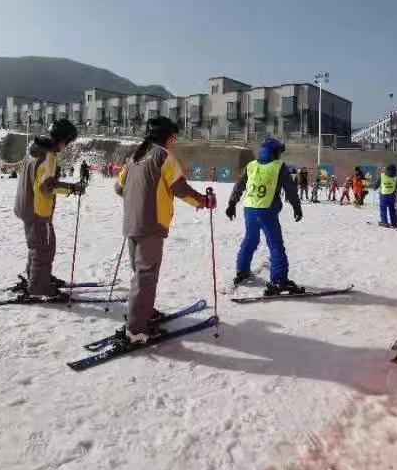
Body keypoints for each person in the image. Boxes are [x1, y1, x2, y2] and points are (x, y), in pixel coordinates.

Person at [114, 117, 210, 342]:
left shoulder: (133, 157)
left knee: (140, 274)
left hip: (131, 224)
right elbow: (180, 188)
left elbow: (119, 188)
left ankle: (142, 311)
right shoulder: (164, 157)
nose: (173, 142)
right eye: (173, 137)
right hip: (152, 224)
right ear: (166, 137)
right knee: (146, 275)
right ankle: (137, 328)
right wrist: (202, 201)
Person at [14, 120, 85, 299]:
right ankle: (39, 287)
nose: (67, 147)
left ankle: (37, 277)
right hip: (38, 210)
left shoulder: (35, 152)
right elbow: (47, 187)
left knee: (37, 245)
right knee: (44, 248)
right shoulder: (49, 156)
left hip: (26, 206)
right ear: (63, 140)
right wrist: (72, 188)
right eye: (68, 142)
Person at [227, 137, 303, 295]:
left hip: (249, 208)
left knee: (250, 239)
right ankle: (279, 280)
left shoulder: (251, 165)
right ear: (274, 152)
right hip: (266, 210)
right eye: (279, 152)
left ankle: (242, 270)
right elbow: (290, 189)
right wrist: (296, 207)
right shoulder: (279, 166)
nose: (280, 156)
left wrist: (232, 203)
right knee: (275, 245)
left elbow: (239, 185)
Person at [373, 164, 397, 228]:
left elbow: (376, 184)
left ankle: (384, 222)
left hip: (383, 195)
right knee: (392, 209)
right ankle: (394, 223)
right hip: (392, 196)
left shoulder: (382, 176)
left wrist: (374, 187)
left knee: (383, 209)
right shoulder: (396, 177)